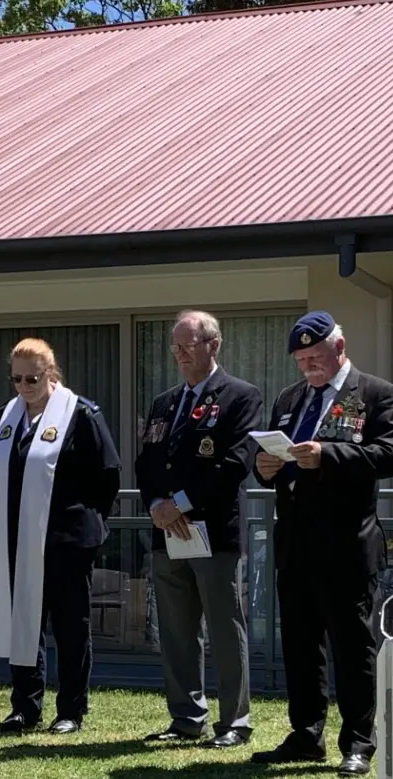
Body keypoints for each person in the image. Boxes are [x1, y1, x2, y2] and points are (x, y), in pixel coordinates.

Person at [249, 311, 393, 777]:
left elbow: (389, 454)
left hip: (346, 543)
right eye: (301, 359)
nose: (308, 366)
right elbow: (267, 457)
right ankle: (305, 733)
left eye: (315, 356)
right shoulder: (290, 398)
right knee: (300, 643)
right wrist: (264, 466)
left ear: (339, 348)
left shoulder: (375, 393)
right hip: (295, 542)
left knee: (352, 646)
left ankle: (358, 740)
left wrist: (327, 455)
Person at [136, 311, 263, 749]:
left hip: (213, 532)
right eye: (175, 347)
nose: (180, 354)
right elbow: (147, 463)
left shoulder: (241, 396)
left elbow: (235, 464)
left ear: (214, 344)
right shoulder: (164, 403)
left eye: (188, 345)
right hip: (167, 533)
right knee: (175, 629)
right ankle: (187, 716)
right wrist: (156, 505)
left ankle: (235, 722)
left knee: (224, 628)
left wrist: (181, 504)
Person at [0, 338, 120, 735]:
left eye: (33, 378)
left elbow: (107, 475)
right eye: (17, 379)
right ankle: (25, 706)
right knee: (21, 621)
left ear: (51, 373)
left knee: (69, 626)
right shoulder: (3, 420)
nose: (25, 386)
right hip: (14, 540)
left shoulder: (80, 414)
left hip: (66, 542)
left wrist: (87, 525)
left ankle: (71, 709)